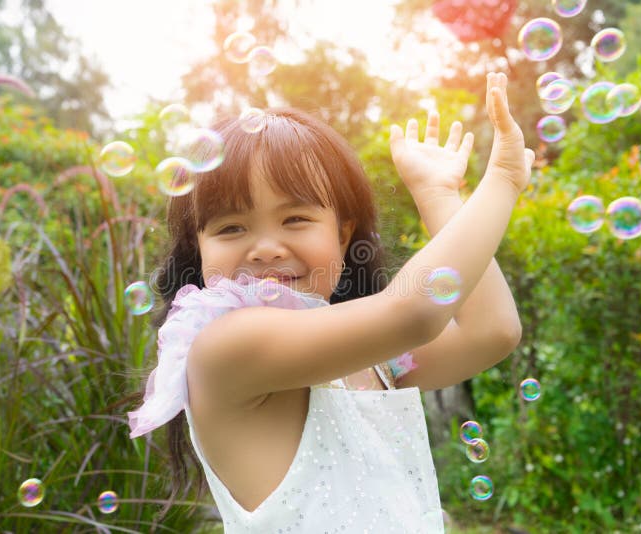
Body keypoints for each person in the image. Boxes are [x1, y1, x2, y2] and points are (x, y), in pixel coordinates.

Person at [128, 72, 534, 532]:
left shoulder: (373, 362)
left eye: (295, 218)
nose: (266, 247)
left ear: (342, 236)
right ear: (198, 250)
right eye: (230, 228)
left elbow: (492, 332)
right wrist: (501, 180)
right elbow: (417, 311)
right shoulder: (226, 346)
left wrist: (439, 197)